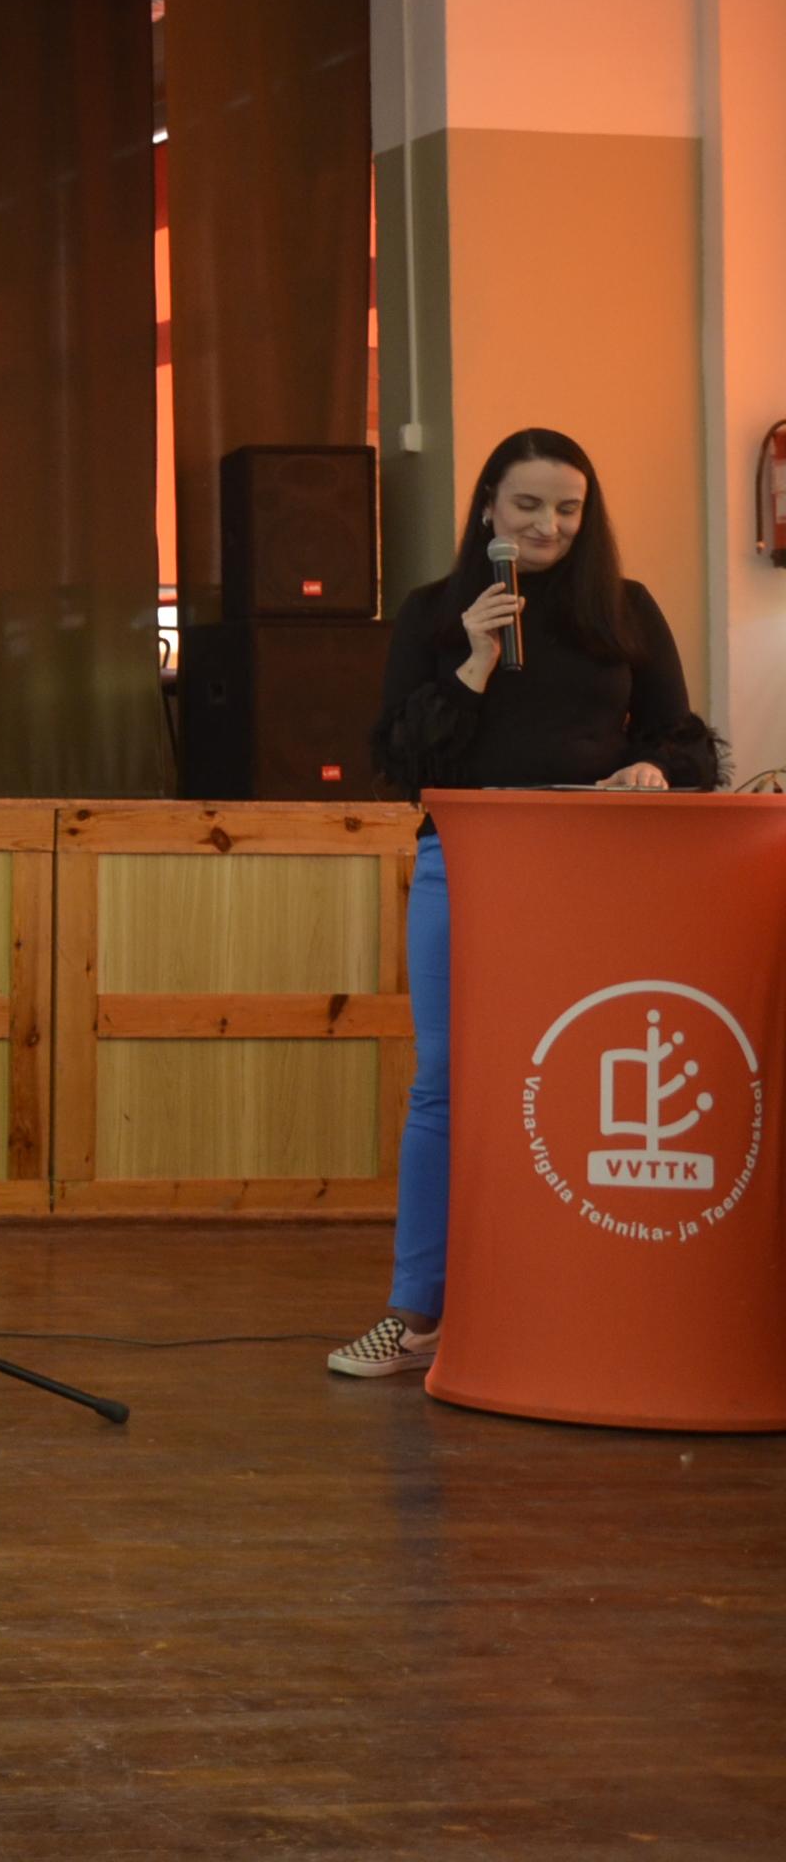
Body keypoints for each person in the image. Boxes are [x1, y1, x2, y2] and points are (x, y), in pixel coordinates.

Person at [333, 426, 721, 1380]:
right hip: (468, 865)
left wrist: (652, 770)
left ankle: (581, 1303)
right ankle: (415, 1317)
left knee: (585, 1074)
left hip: (596, 870)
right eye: (529, 505)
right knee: (445, 1080)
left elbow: (686, 742)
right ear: (488, 510)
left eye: (568, 508)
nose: (549, 525)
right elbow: (404, 764)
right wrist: (470, 662)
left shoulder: (624, 610)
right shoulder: (435, 614)